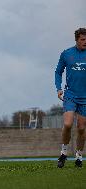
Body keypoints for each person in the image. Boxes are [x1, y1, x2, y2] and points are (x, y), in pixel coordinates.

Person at [55, 28, 86, 168]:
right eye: (83, 39)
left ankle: (79, 156)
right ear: (77, 40)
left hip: (85, 97)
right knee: (67, 124)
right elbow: (58, 72)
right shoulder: (67, 54)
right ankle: (64, 152)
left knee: (81, 128)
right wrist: (59, 88)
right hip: (70, 95)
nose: (85, 42)